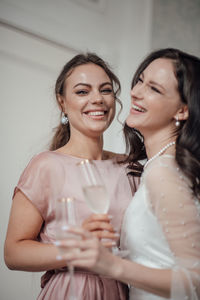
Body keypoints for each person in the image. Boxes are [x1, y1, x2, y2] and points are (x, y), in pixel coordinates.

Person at [61, 48, 200, 299]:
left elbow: (196, 279)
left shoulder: (164, 173)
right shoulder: (153, 167)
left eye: (154, 89)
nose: (135, 92)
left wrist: (112, 265)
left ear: (182, 110)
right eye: (140, 81)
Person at [4, 53, 137, 300]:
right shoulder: (46, 166)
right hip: (70, 292)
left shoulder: (129, 167)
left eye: (105, 90)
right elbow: (13, 253)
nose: (97, 99)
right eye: (82, 92)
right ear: (62, 103)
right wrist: (72, 249)